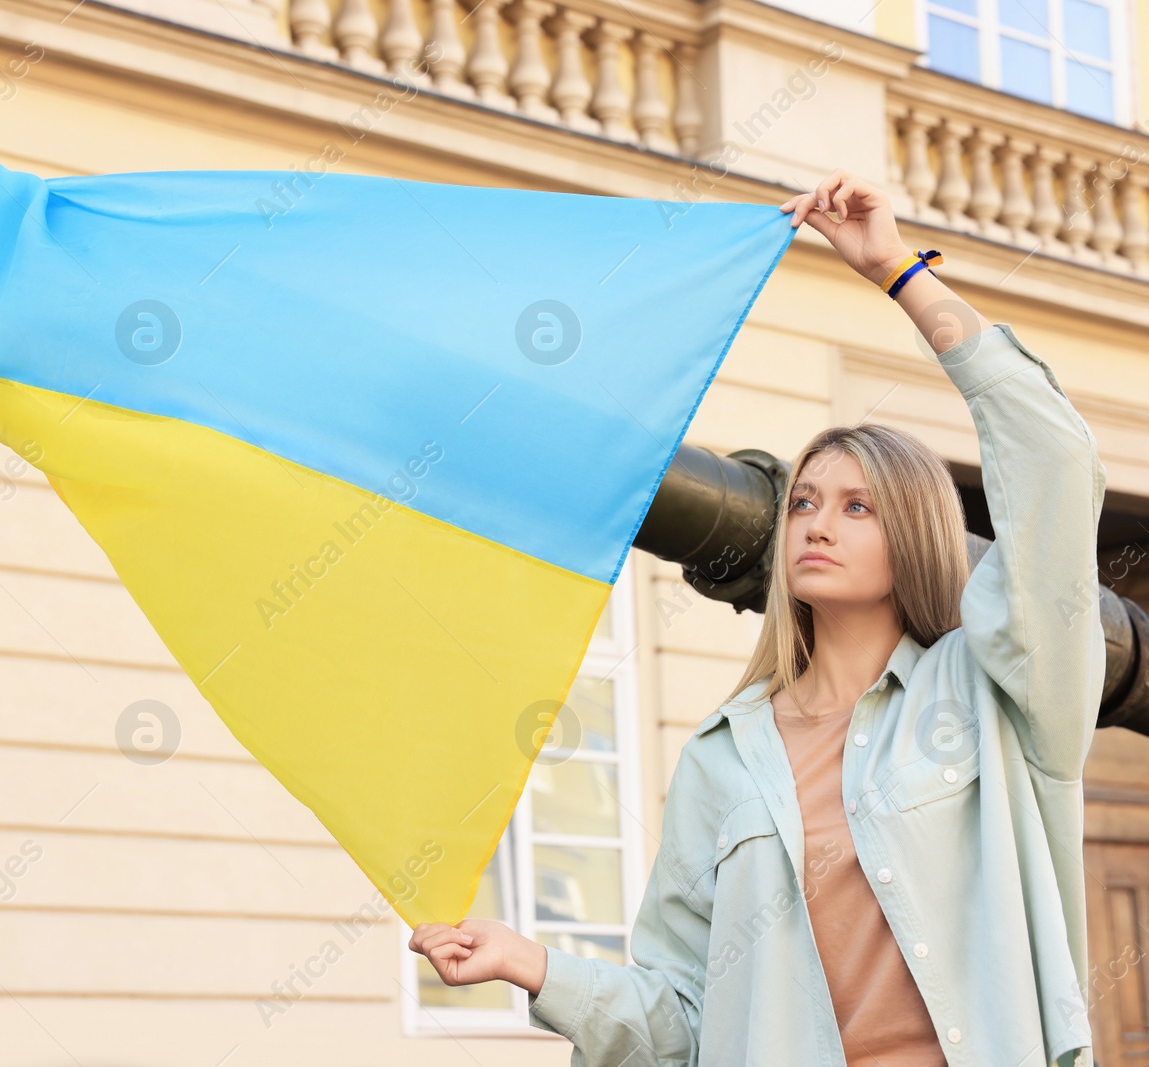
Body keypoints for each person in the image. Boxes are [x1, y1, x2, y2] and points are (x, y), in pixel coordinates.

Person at [408, 169, 1108, 1066]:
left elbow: (1053, 455)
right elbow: (684, 1017)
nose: (817, 520)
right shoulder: (722, 754)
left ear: (916, 535)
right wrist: (534, 964)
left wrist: (898, 270)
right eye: (806, 501)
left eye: (858, 506)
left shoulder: (999, 698)